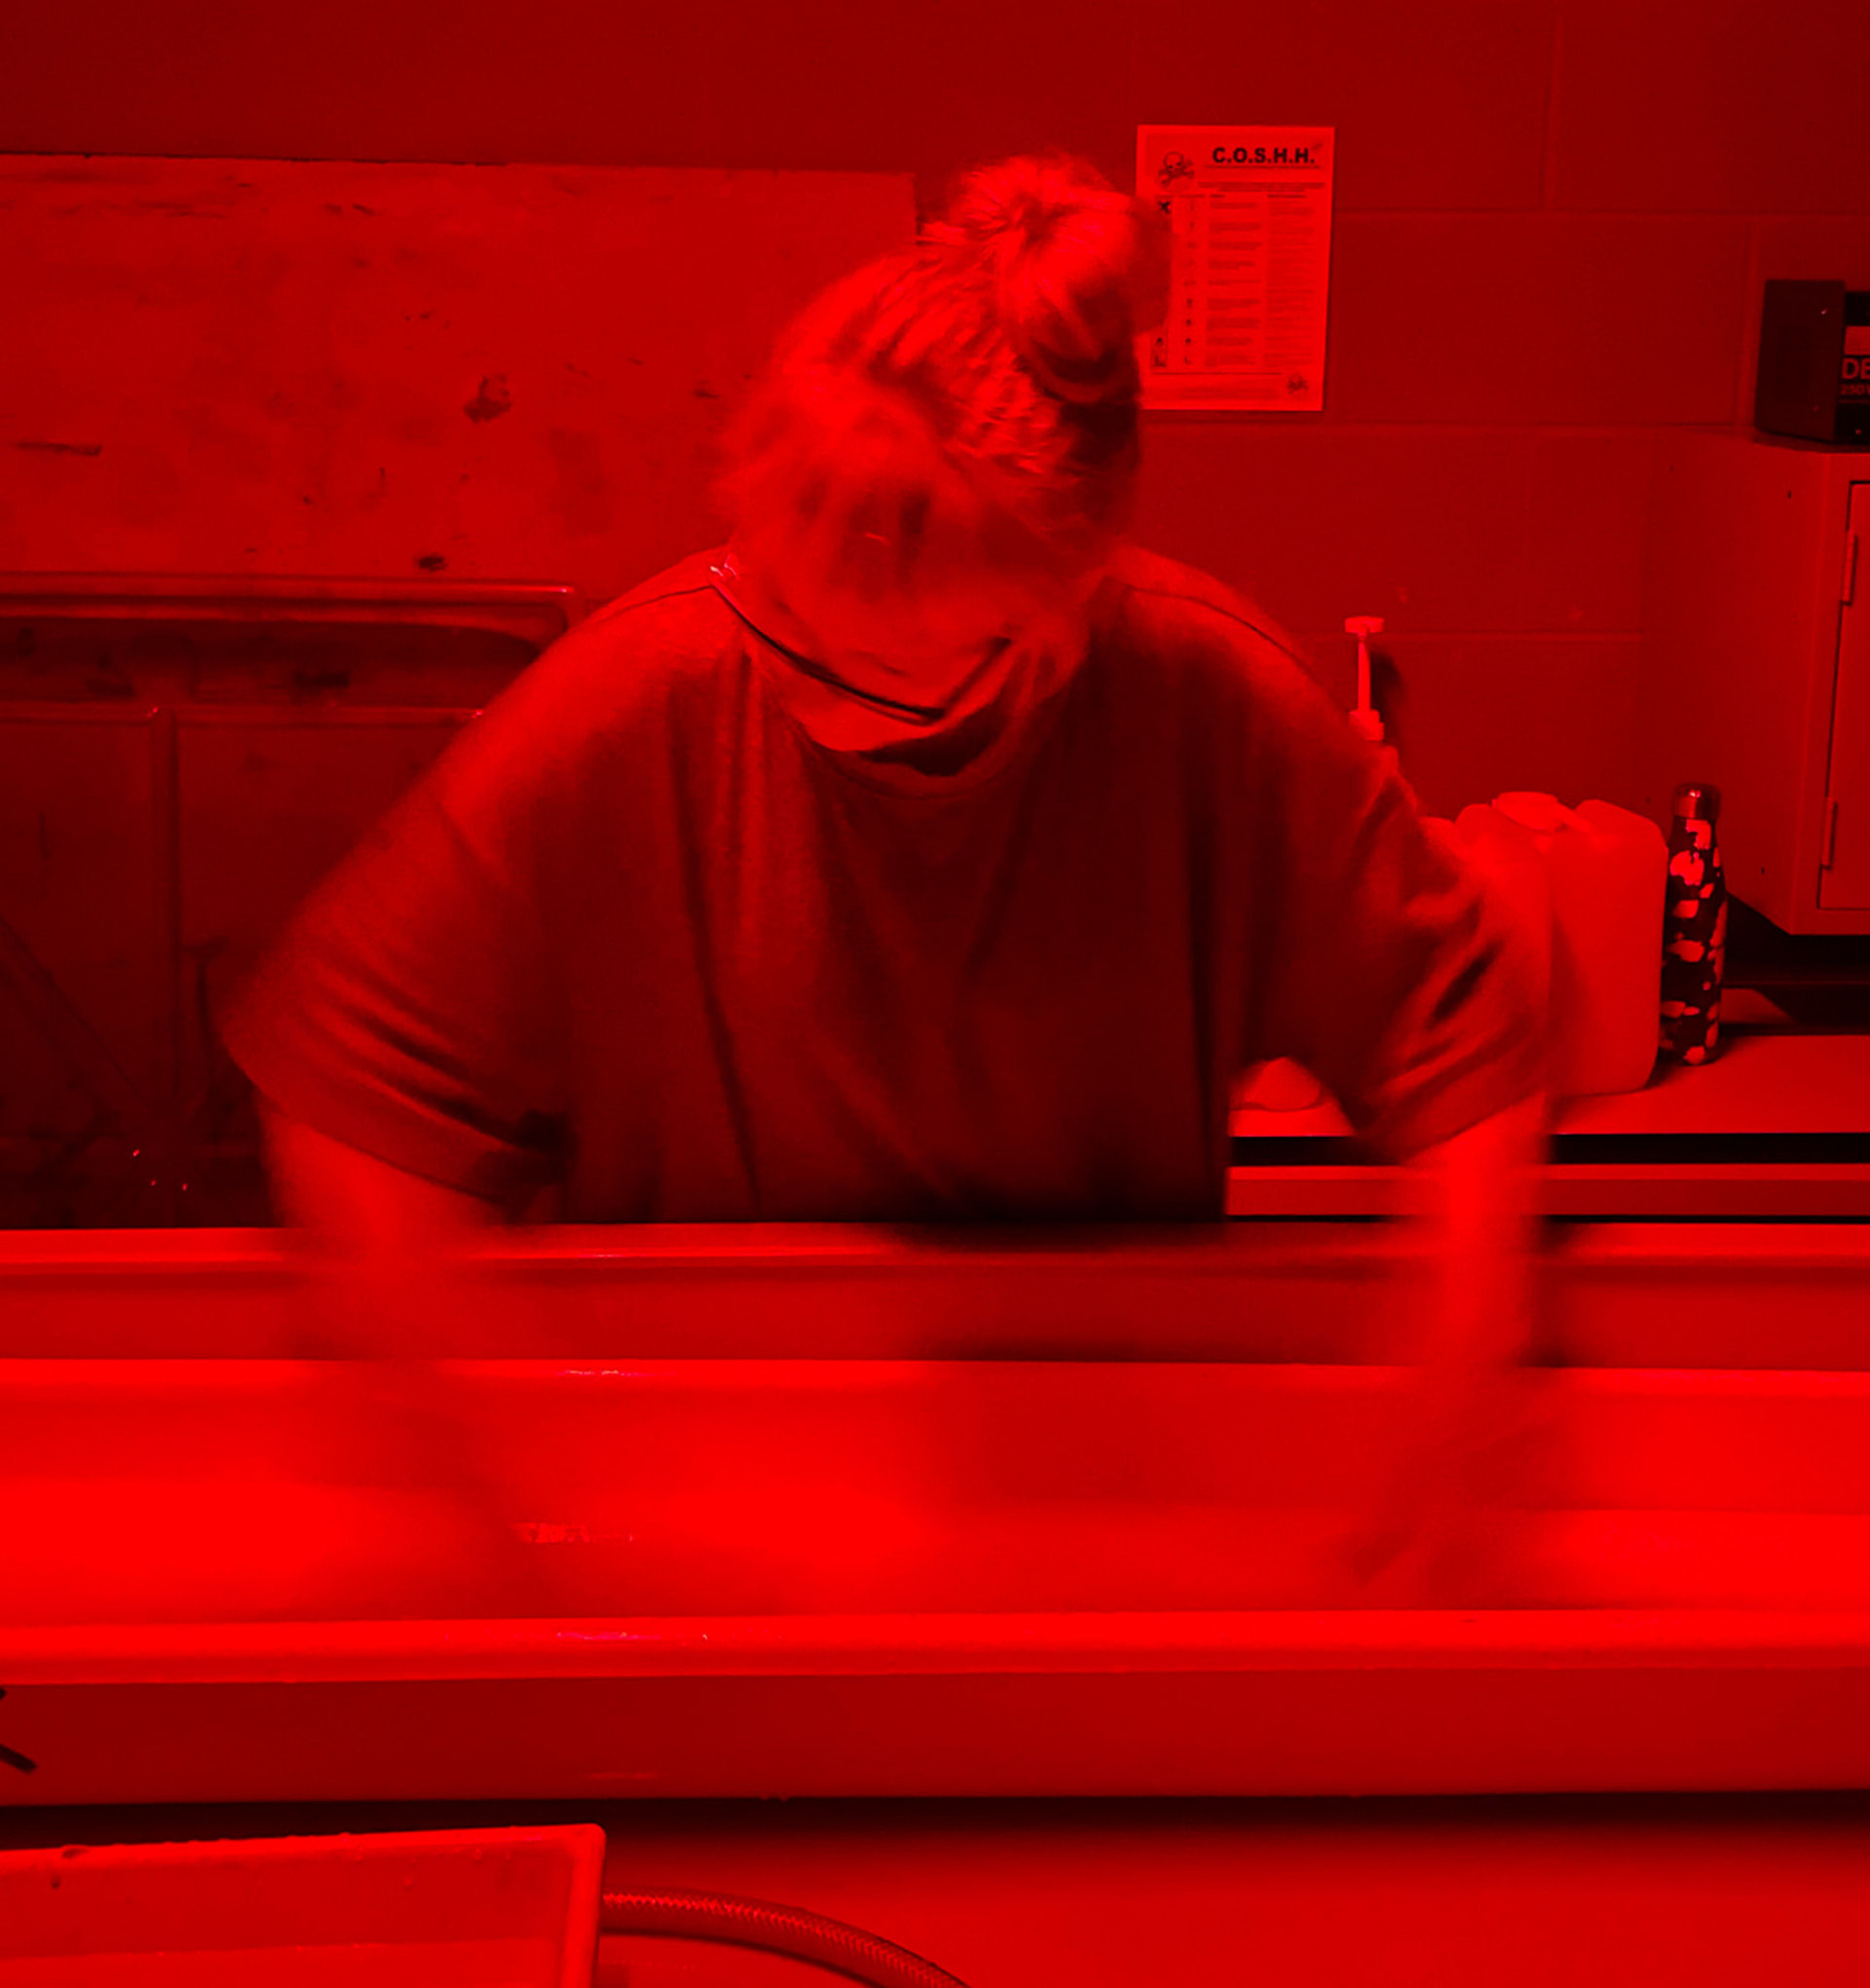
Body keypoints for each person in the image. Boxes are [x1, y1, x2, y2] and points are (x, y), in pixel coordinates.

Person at [222, 149, 1549, 1597]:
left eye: (863, 667)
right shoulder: (643, 691)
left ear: (1059, 622)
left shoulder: (1206, 704)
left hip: (1102, 1458)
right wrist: (486, 1484)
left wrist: (1443, 1435)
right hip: (708, 1451)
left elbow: (1463, 1062)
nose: (784, 678)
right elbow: (350, 1100)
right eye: (769, 606)